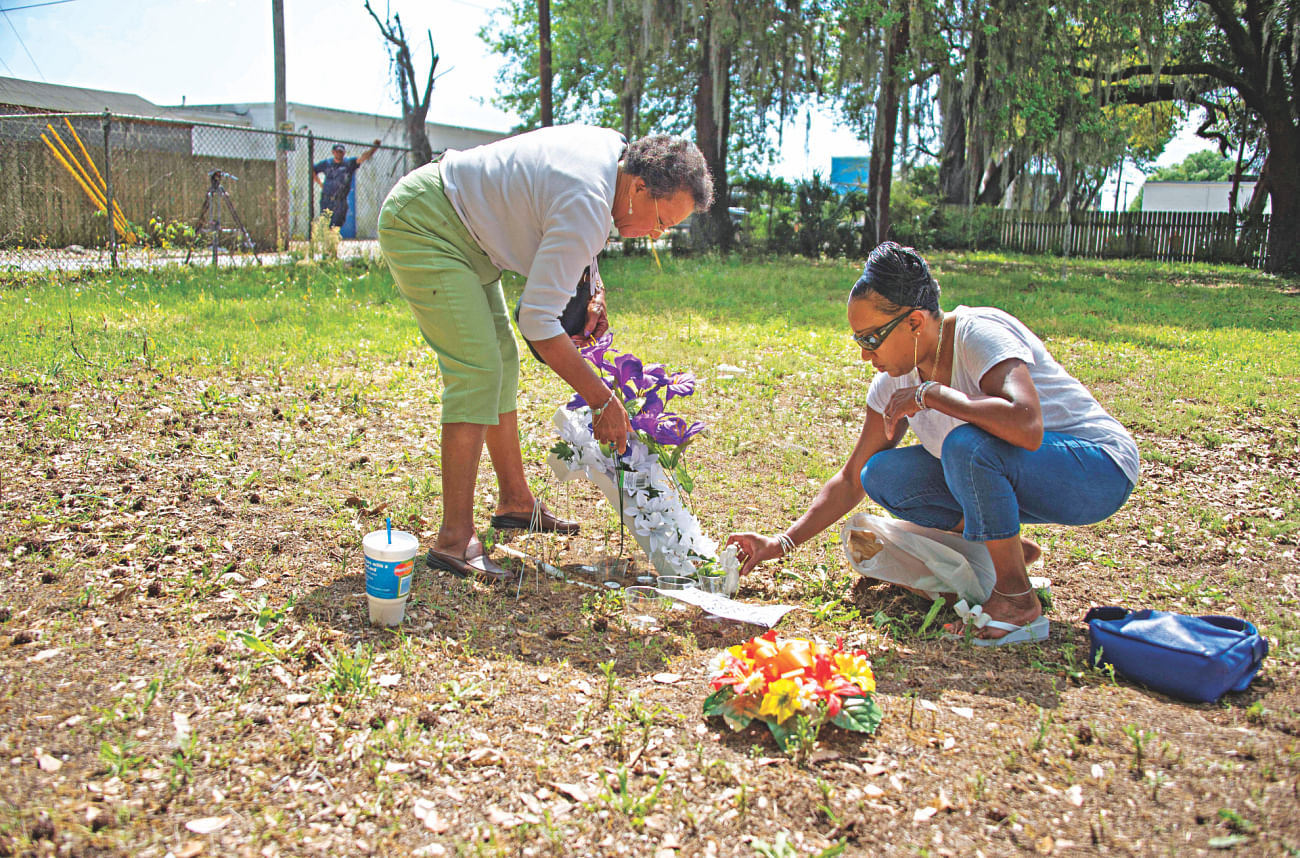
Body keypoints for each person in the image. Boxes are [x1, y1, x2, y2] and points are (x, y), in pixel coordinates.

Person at [726, 242, 1139, 645]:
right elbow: (852, 479)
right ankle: (1003, 552)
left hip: (1096, 470)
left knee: (966, 445)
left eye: (871, 339)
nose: (865, 355)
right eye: (859, 341)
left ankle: (1017, 600)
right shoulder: (894, 379)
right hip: (1020, 475)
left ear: (914, 323)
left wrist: (936, 395)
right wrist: (781, 543)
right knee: (883, 475)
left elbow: (1027, 425)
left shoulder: (978, 335)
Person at [377, 125, 712, 582]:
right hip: (428, 224)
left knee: (501, 363)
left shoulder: (615, 155)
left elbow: (569, 219)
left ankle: (516, 501)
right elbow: (537, 322)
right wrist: (602, 400)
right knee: (477, 369)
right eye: (661, 220)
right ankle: (454, 538)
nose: (655, 234)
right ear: (638, 187)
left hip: (466, 234)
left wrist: (592, 284)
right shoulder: (589, 204)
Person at [313, 140, 382, 229]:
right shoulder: (327, 163)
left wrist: (374, 149)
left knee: (337, 224)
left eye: (341, 152)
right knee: (325, 222)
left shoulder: (348, 163)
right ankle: (327, 240)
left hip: (341, 200)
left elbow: (363, 158)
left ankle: (333, 240)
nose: (339, 154)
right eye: (337, 152)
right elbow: (312, 170)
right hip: (327, 198)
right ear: (333, 152)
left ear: (344, 153)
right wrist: (320, 183)